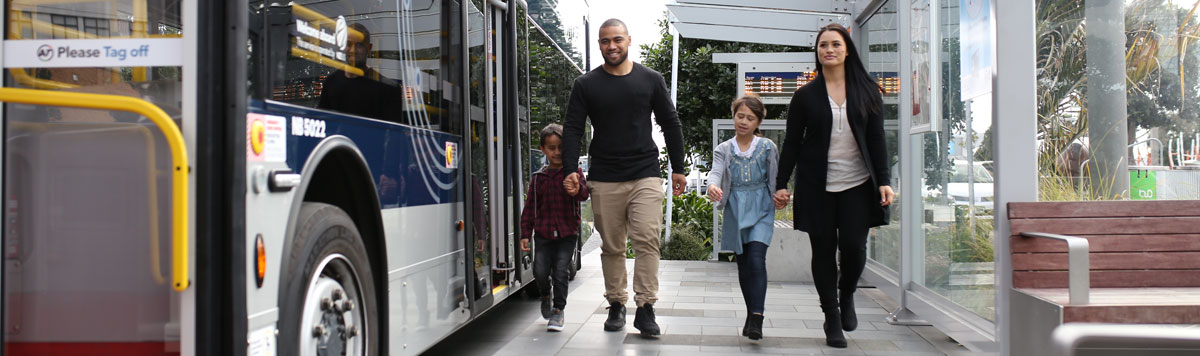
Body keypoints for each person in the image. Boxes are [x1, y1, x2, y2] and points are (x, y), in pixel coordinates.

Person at [560, 18, 688, 337]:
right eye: (605, 41)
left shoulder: (651, 79)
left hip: (645, 172)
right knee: (613, 246)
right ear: (600, 45)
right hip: (604, 177)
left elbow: (670, 124)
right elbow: (574, 128)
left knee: (647, 240)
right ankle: (617, 303)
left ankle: (645, 308)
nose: (612, 46)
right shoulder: (586, 84)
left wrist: (678, 167)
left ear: (629, 40)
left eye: (617, 39)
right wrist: (570, 170)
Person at [773, 23, 895, 348]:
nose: (829, 50)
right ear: (818, 52)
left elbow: (877, 138)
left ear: (846, 50)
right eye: (823, 45)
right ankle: (832, 317)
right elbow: (793, 145)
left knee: (854, 248)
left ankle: (848, 292)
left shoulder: (868, 90)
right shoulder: (805, 96)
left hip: (857, 184)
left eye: (835, 44)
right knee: (823, 251)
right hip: (817, 186)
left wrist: (884, 180)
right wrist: (781, 183)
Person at [706, 95, 780, 340]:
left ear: (758, 121)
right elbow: (716, 172)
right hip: (735, 209)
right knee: (745, 264)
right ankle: (751, 312)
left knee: (757, 259)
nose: (744, 122)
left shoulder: (768, 147)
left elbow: (776, 179)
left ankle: (757, 317)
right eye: (740, 116)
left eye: (750, 118)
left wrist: (780, 194)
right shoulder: (724, 149)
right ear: (733, 116)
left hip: (761, 208)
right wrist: (712, 186)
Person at [520, 124, 589, 332]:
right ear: (543, 150)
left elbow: (584, 195)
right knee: (540, 271)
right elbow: (530, 207)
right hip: (543, 234)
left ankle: (558, 311)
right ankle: (545, 294)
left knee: (560, 271)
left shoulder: (574, 173)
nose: (557, 152)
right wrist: (525, 233)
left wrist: (576, 189)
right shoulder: (538, 178)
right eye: (552, 148)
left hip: (568, 234)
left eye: (560, 147)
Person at [317, 23, 403, 121]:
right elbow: (323, 123)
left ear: (369, 48)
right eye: (348, 44)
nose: (353, 50)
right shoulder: (331, 82)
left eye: (359, 45)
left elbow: (391, 133)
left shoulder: (388, 89)